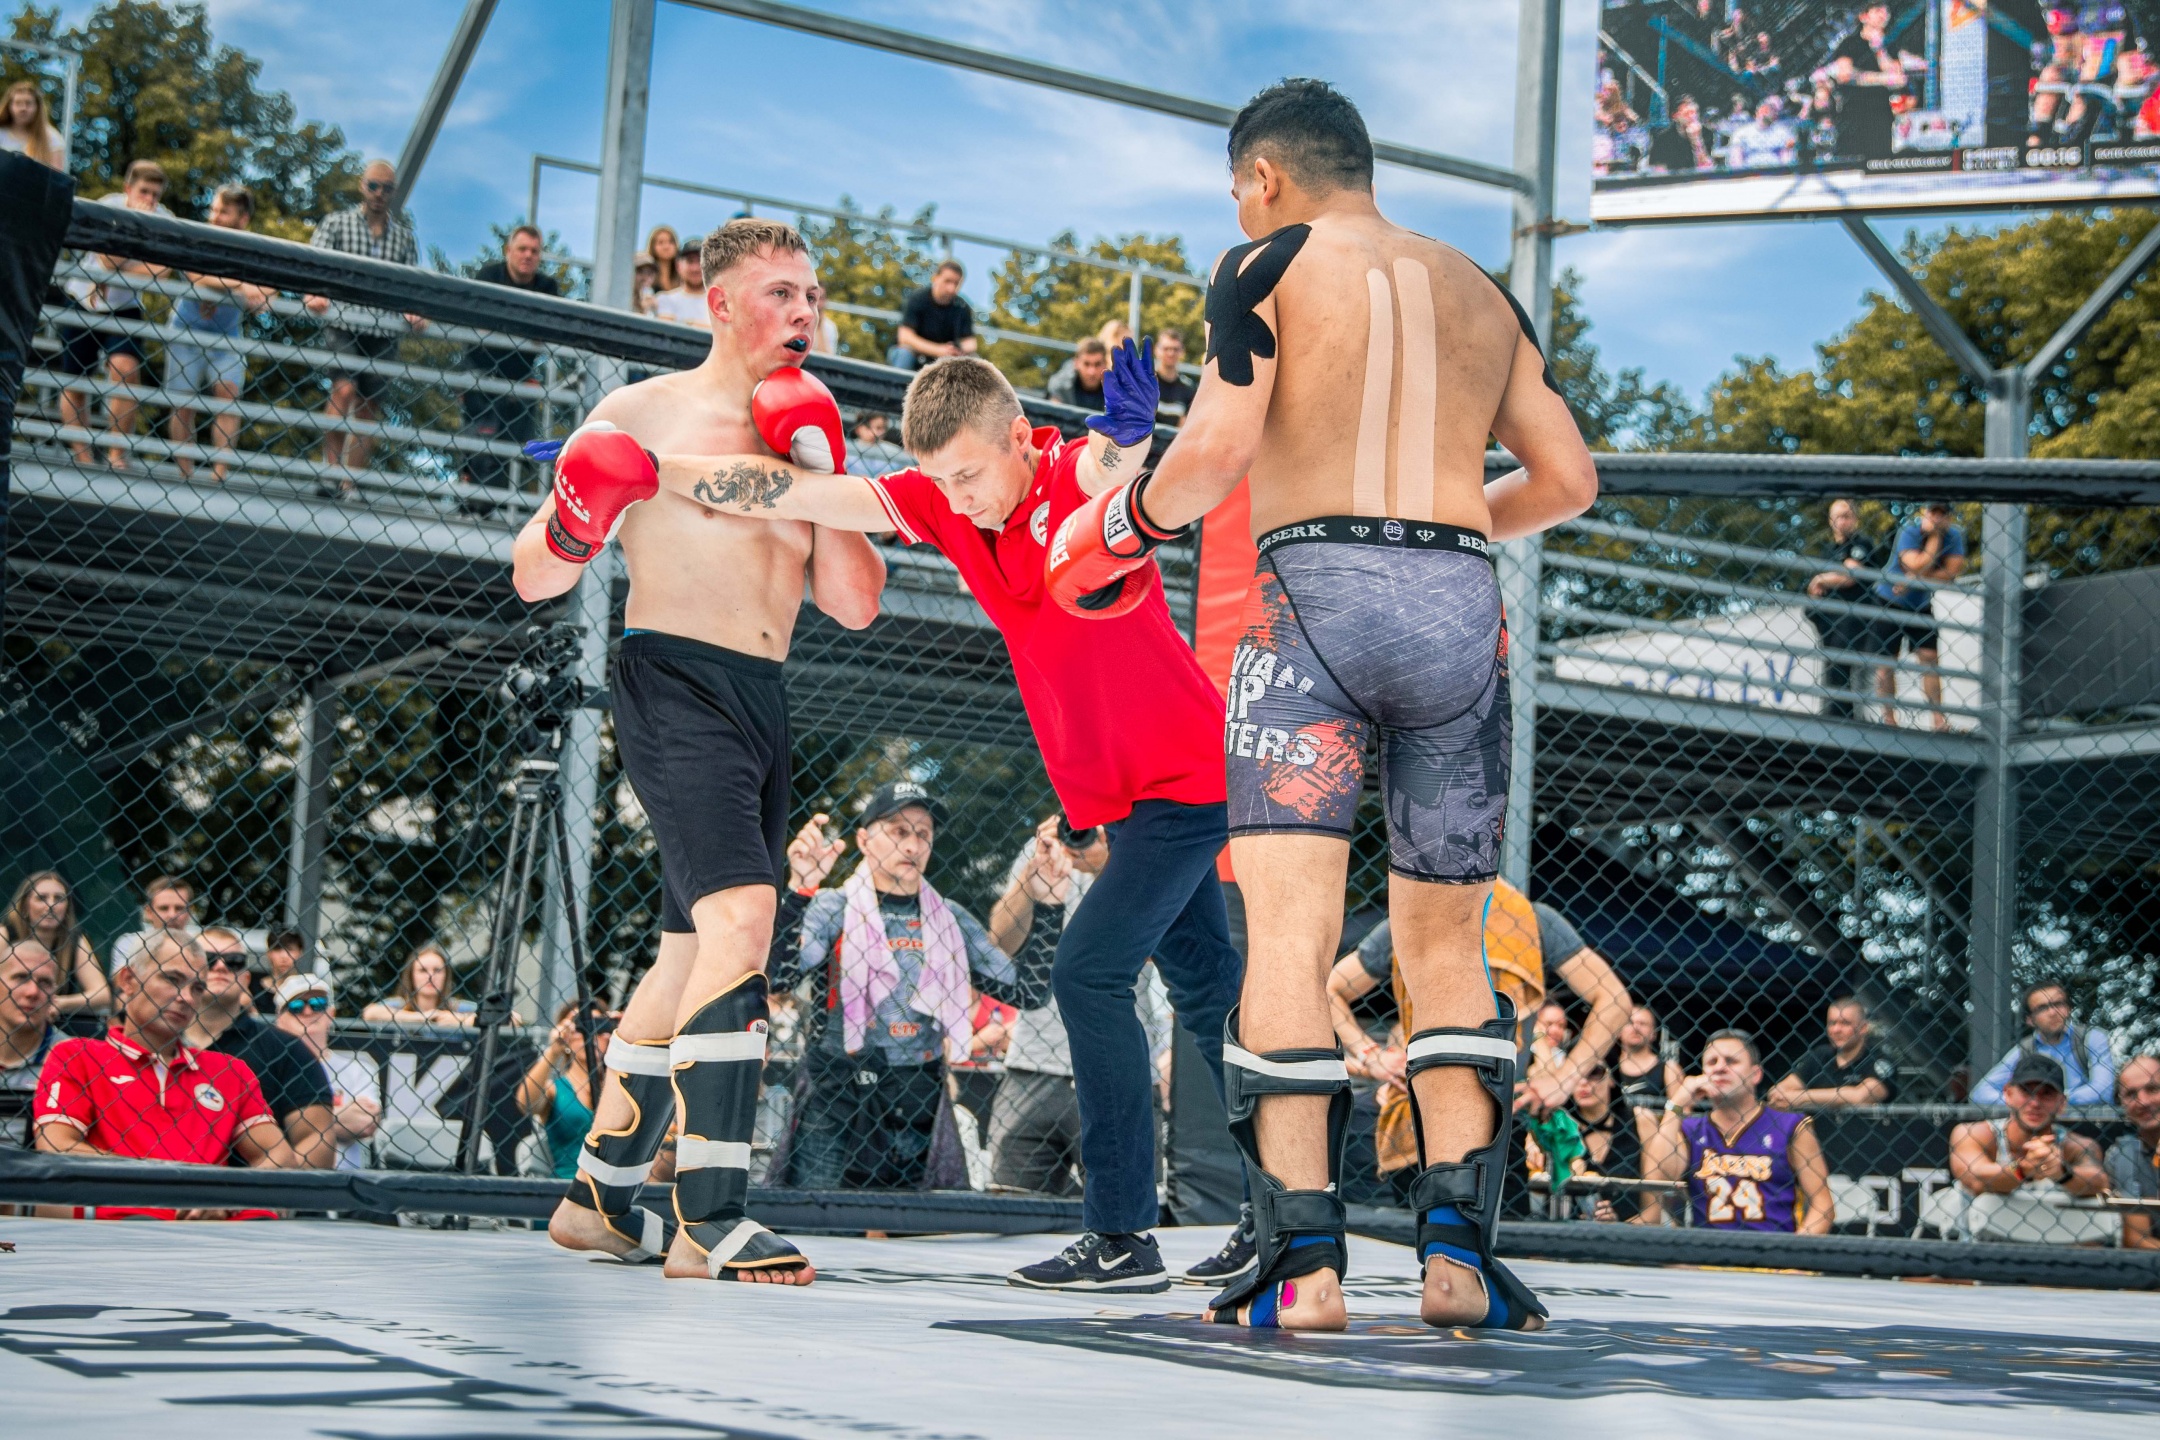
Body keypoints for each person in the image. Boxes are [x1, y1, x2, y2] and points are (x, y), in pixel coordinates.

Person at [1071, 79, 1597, 1332]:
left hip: (1313, 599)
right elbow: (1570, 478)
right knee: (1447, 949)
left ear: (1263, 177)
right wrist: (1449, 532)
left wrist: (1118, 525)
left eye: (1236, 191)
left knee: (1290, 942)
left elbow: (1211, 454)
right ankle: (1457, 1265)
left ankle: (1305, 1269)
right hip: (1459, 606)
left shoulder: (1263, 263)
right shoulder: (1483, 289)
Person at [617, 339, 1245, 1295]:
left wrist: (1128, 442)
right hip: (1130, 794)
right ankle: (1289, 1207)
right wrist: (647, 467)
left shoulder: (1066, 473)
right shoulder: (947, 504)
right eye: (942, 481)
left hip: (1184, 777)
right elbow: (798, 492)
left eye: (970, 475)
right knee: (1209, 996)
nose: (960, 498)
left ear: (1018, 440)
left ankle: (1124, 1235)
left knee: (1088, 975)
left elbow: (1108, 472)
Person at [517, 218, 886, 1285]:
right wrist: (579, 514)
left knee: (689, 952)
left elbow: (855, 604)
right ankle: (711, 1214)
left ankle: (597, 1200)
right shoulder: (641, 412)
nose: (804, 313)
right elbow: (532, 575)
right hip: (672, 676)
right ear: (720, 304)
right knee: (744, 919)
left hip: (762, 694)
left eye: (811, 296)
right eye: (780, 293)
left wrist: (826, 473)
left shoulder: (806, 425)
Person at [771, 783, 1052, 1191]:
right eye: (898, 831)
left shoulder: (949, 917)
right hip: (837, 1095)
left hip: (916, 1099)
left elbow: (1028, 992)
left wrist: (1049, 905)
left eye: (923, 834)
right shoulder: (833, 906)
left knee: (916, 1223)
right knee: (814, 1218)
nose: (912, 845)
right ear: (864, 840)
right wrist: (799, 891)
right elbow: (779, 977)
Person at [34, 932, 305, 1217]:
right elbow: (58, 1148)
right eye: (172, 979)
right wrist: (176, 1187)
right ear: (128, 980)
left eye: (197, 988)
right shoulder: (77, 1056)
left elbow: (279, 1157)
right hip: (121, 1231)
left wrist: (225, 1200)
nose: (186, 997)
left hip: (212, 1232)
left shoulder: (229, 1071)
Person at [983, 817, 1175, 1211]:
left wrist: (1109, 865)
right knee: (1008, 1210)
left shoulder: (1145, 847)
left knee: (1130, 1207)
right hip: (1032, 1066)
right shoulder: (1049, 846)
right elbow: (1001, 941)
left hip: (1119, 1069)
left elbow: (1165, 950)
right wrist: (1029, 880)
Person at [305, 159, 428, 482]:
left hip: (383, 328)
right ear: (362, 186)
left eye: (386, 188)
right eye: (373, 185)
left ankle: (351, 482)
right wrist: (313, 293)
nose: (379, 193)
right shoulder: (337, 223)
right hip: (343, 321)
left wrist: (414, 310)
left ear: (394, 192)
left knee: (369, 406)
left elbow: (410, 286)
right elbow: (314, 264)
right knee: (343, 390)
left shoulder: (404, 238)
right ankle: (330, 474)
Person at [183, 926, 337, 1169]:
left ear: (246, 979)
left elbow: (316, 1140)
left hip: (258, 1187)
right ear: (186, 973)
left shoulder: (285, 1048)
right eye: (209, 959)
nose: (221, 967)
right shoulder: (157, 1042)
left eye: (234, 961)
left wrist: (261, 1186)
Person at [1657, 1030, 1834, 1234]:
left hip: (1773, 1250)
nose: (1720, 1068)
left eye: (1731, 1061)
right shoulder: (1690, 1129)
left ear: (1755, 1074)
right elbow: (1660, 1177)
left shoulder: (1790, 1126)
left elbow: (1823, 1206)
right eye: (1712, 1062)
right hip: (1709, 1251)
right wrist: (1676, 1104)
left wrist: (1792, 1252)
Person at [57, 159, 172, 470]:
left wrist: (120, 271)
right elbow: (108, 260)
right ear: (128, 189)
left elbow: (162, 272)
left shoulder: (165, 220)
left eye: (155, 195)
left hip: (125, 306)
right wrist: (135, 231)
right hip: (83, 298)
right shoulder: (108, 206)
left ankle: (117, 456)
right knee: (76, 383)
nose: (149, 200)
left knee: (126, 369)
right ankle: (84, 458)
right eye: (144, 192)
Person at [166, 184, 272, 482]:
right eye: (213, 210)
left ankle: (220, 474)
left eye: (223, 212)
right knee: (183, 404)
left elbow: (270, 285)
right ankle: (185, 473)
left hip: (226, 336)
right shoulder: (199, 238)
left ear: (242, 219)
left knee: (228, 396)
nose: (214, 217)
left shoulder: (252, 248)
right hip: (186, 330)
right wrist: (240, 284)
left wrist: (261, 295)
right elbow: (196, 276)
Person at [1946, 1053, 2109, 1242]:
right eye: (2026, 1091)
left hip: (2056, 1254)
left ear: (2062, 1103)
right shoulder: (1974, 1134)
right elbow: (1976, 1179)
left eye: (2046, 1094)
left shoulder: (2077, 1146)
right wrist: (2023, 1170)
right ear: (2008, 1094)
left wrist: (2061, 1172)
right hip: (1980, 1253)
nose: (2035, 1103)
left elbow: (2099, 1182)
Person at [462, 224, 561, 503]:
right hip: (481, 372)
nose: (528, 255)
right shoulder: (489, 276)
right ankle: (470, 506)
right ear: (508, 251)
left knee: (516, 447)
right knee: (478, 446)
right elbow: (479, 325)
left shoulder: (547, 287)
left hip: (520, 377)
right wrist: (525, 328)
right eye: (522, 249)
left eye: (534, 251)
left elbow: (549, 330)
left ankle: (506, 508)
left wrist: (504, 325)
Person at [1769, 995, 1899, 1179]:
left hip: (1865, 1156)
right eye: (1832, 1023)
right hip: (1812, 1153)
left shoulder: (1879, 1059)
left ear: (1863, 1028)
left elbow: (1861, 1097)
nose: (1837, 1029)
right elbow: (1777, 1093)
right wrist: (1838, 1097)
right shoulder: (1820, 1055)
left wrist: (1800, 1098)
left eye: (1845, 1023)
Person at [270, 972, 380, 1171]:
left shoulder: (359, 1068)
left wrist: (292, 1121)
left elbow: (365, 1122)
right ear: (280, 1019)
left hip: (346, 1181)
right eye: (296, 1006)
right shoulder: (271, 1069)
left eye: (317, 1004)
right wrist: (340, 1116)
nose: (308, 1011)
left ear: (330, 1013)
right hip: (287, 1175)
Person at [1872, 501, 1966, 730]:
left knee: (1930, 658)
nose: (1937, 518)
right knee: (1886, 662)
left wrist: (1916, 580)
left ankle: (1938, 720)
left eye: (1942, 514)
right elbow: (1916, 564)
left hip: (1920, 604)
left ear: (1949, 517)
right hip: (1889, 600)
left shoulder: (1954, 535)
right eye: (1933, 513)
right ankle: (1889, 718)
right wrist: (1934, 538)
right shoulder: (1909, 531)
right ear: (1924, 513)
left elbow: (1951, 573)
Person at [1971, 979, 2116, 1106]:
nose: (2052, 1013)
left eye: (2058, 1004)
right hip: (2039, 1120)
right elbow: (1980, 1093)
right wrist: (2025, 1101)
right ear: (2030, 1020)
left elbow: (2103, 1092)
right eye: (2042, 1008)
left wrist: (2053, 1100)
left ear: (2068, 1009)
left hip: (2088, 1121)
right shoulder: (2025, 1049)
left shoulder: (2091, 1037)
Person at [519, 1000, 615, 1180]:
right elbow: (526, 1104)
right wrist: (554, 1051)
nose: (591, 1035)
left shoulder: (619, 1087)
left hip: (614, 1184)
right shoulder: (557, 1089)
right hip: (568, 1184)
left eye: (599, 1026)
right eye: (580, 1027)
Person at [1804, 498, 1881, 719]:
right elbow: (1816, 588)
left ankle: (1850, 718)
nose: (1842, 521)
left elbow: (1850, 576)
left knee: (1850, 669)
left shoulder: (1861, 543)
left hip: (1855, 618)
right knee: (1833, 668)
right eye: (1837, 517)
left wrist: (1821, 579)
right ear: (1830, 521)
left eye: (1846, 516)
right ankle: (1836, 714)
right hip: (1831, 620)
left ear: (1855, 519)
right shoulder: (1829, 550)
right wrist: (1821, 582)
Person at [4, 870, 109, 1022]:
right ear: (25, 905)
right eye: (41, 898)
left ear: (67, 907)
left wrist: (59, 1003)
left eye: (59, 899)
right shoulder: (5, 935)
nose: (51, 905)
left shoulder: (74, 939)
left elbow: (103, 994)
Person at [1829, 5, 1925, 161]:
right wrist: (1882, 79)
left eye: (1886, 10)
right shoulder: (1850, 43)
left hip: (1881, 117)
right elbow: (1845, 74)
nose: (1884, 15)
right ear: (1864, 16)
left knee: (1880, 161)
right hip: (1853, 117)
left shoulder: (1889, 46)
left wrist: (1879, 49)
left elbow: (1898, 78)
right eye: (1878, 10)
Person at [0, 939, 61, 1151]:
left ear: (54, 994)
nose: (32, 992)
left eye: (44, 982)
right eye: (20, 978)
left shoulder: (71, 1057)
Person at [2107, 1054, 2159, 1250]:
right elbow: (2137, 1240)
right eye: (2131, 1094)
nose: (2142, 1102)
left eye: (2152, 1089)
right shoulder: (2122, 1155)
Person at [889, 259, 977, 369]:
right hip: (915, 355)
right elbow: (905, 337)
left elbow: (970, 343)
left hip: (946, 361)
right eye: (947, 281)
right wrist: (938, 350)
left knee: (974, 361)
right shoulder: (917, 299)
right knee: (903, 354)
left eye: (956, 283)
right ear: (935, 278)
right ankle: (897, 381)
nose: (951, 288)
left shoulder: (962, 307)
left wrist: (957, 350)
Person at [362, 943, 475, 1025]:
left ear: (446, 976)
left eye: (437, 970)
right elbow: (369, 1013)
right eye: (423, 970)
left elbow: (482, 1016)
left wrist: (461, 1020)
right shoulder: (400, 1004)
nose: (430, 976)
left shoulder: (456, 1007)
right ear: (411, 975)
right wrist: (420, 1017)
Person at [1612, 1003, 1683, 1124]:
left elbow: (1681, 1111)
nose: (1636, 1027)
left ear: (1653, 1033)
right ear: (1619, 1031)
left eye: (1643, 1023)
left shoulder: (1669, 1069)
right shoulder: (1607, 1068)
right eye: (1630, 1022)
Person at [1, 80, 64, 170]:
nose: (23, 108)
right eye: (18, 103)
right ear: (9, 106)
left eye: (28, 103)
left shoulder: (52, 138)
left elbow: (56, 174)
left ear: (37, 107)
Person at [1723, 94, 1797, 169]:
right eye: (1767, 108)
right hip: (1749, 173)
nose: (1769, 112)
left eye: (1774, 110)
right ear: (1758, 110)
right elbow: (1736, 161)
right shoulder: (1741, 133)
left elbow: (1787, 160)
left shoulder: (1784, 133)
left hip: (1776, 173)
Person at [1647, 95, 1713, 171]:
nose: (1692, 117)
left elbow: (1708, 168)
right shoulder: (1663, 139)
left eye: (1694, 112)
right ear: (1675, 116)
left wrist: (1697, 140)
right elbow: (1658, 169)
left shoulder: (1707, 133)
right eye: (1687, 114)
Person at [651, 240, 709, 327]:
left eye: (700, 261)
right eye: (690, 261)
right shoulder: (664, 299)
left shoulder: (720, 303)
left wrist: (687, 323)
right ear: (678, 266)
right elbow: (666, 328)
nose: (695, 268)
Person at [1046, 337, 1110, 412]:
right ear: (1076, 363)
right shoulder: (1060, 386)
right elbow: (1053, 415)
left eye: (1097, 364)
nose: (1092, 372)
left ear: (1106, 364)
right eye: (1086, 364)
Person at [252, 930, 307, 1015]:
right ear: (269, 953)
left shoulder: (308, 989)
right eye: (277, 949)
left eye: (290, 949)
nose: (284, 957)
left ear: (300, 952)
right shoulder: (252, 989)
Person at [1153, 329, 1196, 423]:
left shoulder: (1188, 388)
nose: (1171, 353)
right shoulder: (1145, 382)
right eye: (1166, 349)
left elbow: (1187, 424)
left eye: (1175, 349)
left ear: (1182, 352)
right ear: (1156, 350)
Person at [645, 225, 684, 298]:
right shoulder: (645, 277)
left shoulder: (684, 277)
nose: (666, 247)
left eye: (670, 242)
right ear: (652, 247)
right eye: (660, 242)